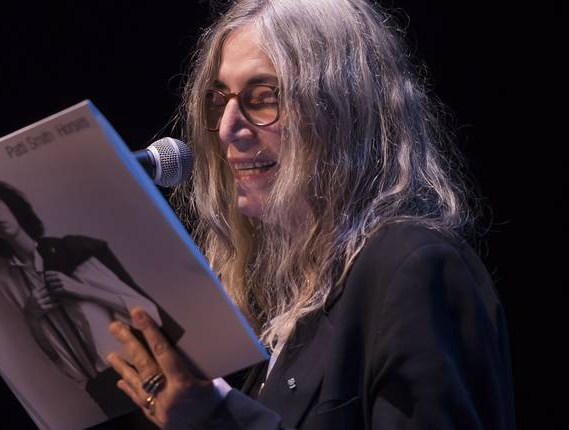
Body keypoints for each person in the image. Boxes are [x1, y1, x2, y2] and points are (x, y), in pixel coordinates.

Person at [105, 0, 515, 429]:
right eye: (219, 100)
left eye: (263, 98)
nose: (227, 128)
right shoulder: (280, 297)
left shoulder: (412, 267)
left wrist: (217, 419)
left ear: (342, 110)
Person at [0, 175, 183, 416]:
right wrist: (32, 317)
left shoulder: (73, 249)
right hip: (101, 388)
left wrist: (82, 290)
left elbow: (147, 312)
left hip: (143, 368)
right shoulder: (9, 282)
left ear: (10, 204)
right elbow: (53, 352)